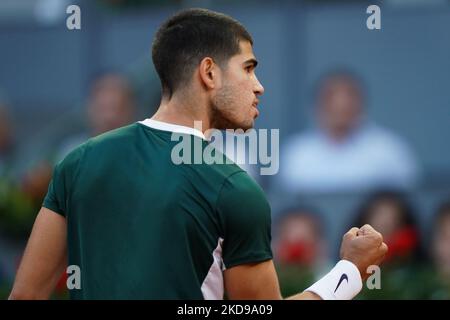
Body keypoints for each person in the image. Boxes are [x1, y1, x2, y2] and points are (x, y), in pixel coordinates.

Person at [9, 8, 387, 300]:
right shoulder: (232, 187)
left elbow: (25, 294)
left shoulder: (77, 162)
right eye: (249, 68)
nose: (259, 87)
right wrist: (351, 271)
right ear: (209, 73)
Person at [279, 70, 419, 193]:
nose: (341, 106)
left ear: (362, 104)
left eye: (348, 101)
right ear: (317, 107)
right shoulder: (297, 153)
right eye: (331, 100)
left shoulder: (389, 149)